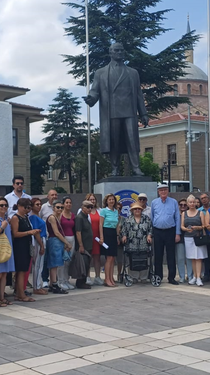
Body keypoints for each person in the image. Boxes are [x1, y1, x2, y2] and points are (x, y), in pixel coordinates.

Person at [84, 43, 149, 176]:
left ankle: (136, 167)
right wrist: (91, 99)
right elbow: (95, 90)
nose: (119, 53)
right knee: (114, 142)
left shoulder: (133, 73)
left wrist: (143, 113)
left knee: (132, 141)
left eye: (121, 50)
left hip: (129, 112)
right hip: (111, 112)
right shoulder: (101, 73)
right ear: (110, 52)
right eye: (116, 50)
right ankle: (115, 168)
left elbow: (138, 95)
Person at [11, 198, 41, 302]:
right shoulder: (16, 217)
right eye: (25, 207)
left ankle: (20, 292)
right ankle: (20, 294)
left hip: (26, 244)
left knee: (24, 270)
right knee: (21, 271)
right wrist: (29, 232)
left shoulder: (26, 217)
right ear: (19, 206)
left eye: (29, 207)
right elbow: (15, 233)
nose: (27, 210)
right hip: (19, 246)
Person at [151, 184, 181, 285]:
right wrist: (151, 233)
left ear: (168, 191)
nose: (163, 192)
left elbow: (177, 218)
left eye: (165, 190)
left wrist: (177, 233)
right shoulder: (154, 202)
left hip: (170, 231)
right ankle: (158, 277)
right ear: (158, 192)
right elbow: (152, 217)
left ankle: (171, 277)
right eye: (161, 190)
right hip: (158, 231)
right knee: (158, 255)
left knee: (171, 255)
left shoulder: (173, 202)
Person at [121, 203, 153, 282]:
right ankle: (133, 277)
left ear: (141, 210)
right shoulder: (128, 219)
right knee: (132, 260)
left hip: (143, 243)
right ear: (132, 210)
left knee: (144, 260)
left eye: (139, 209)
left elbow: (150, 229)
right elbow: (123, 230)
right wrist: (124, 236)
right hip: (132, 244)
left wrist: (149, 236)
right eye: (135, 209)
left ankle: (143, 277)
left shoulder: (146, 218)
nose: (137, 210)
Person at [46, 201, 70, 294]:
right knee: (54, 264)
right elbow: (56, 232)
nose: (60, 209)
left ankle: (52, 284)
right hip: (54, 241)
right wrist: (66, 242)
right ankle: (54, 284)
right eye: (58, 207)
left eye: (61, 207)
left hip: (57, 241)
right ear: (53, 208)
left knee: (55, 263)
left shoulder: (57, 217)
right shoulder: (52, 217)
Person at [182, 195, 207, 286]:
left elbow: (204, 225)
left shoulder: (200, 213)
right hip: (188, 237)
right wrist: (186, 229)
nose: (192, 204)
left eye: (193, 202)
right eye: (190, 202)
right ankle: (194, 277)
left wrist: (198, 227)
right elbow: (182, 226)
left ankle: (199, 277)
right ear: (188, 203)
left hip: (198, 237)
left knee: (199, 258)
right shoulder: (184, 213)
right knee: (192, 258)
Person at [100, 194, 121, 287]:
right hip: (106, 233)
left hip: (113, 234)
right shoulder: (103, 211)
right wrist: (101, 237)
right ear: (106, 201)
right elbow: (100, 224)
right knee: (108, 258)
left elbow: (117, 225)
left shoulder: (116, 211)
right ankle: (107, 278)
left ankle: (111, 277)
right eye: (110, 199)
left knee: (113, 258)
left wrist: (117, 236)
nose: (111, 201)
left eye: (113, 199)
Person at [28, 198, 47, 295]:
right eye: (37, 204)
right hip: (38, 240)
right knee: (38, 265)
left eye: (40, 204)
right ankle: (36, 286)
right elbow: (36, 232)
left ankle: (38, 284)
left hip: (42, 238)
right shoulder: (33, 217)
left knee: (40, 264)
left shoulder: (38, 216)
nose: (39, 206)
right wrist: (41, 245)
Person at [75, 201, 95, 289]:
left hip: (89, 244)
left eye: (91, 207)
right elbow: (78, 232)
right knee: (83, 264)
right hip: (83, 245)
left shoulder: (87, 217)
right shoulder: (79, 217)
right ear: (83, 207)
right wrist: (81, 245)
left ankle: (83, 281)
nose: (89, 209)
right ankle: (80, 282)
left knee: (87, 264)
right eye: (88, 207)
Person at [84, 193, 103, 286]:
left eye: (94, 199)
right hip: (88, 237)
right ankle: (87, 277)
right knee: (88, 258)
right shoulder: (82, 211)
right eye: (90, 199)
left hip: (97, 237)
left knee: (97, 258)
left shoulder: (100, 210)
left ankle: (98, 277)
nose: (92, 201)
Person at [59, 197, 76, 290]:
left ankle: (66, 280)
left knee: (69, 261)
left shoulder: (72, 215)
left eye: (70, 202)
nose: (68, 204)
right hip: (63, 239)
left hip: (72, 238)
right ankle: (60, 281)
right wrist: (64, 242)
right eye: (66, 202)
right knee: (62, 261)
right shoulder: (60, 215)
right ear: (63, 204)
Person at [175, 198, 192, 283]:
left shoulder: (189, 214)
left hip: (189, 237)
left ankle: (190, 276)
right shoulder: (176, 214)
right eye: (181, 205)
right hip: (179, 239)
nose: (183, 206)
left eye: (185, 205)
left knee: (189, 258)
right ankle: (181, 276)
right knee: (180, 258)